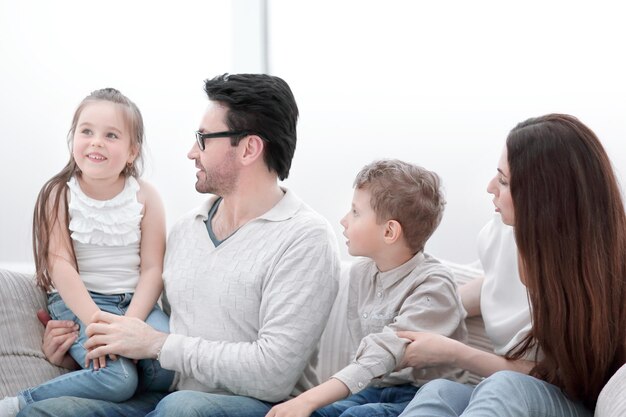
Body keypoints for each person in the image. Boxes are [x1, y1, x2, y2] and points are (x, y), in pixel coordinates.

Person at [19, 73, 340, 417]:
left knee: (181, 408)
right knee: (49, 412)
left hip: (259, 406)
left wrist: (158, 344)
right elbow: (151, 334)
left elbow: (273, 375)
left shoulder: (305, 239)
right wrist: (80, 352)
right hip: (166, 395)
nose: (191, 152)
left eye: (203, 139)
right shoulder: (188, 229)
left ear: (249, 148)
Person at [397, 114, 626, 417]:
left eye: (504, 181)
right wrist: (426, 308)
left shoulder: (603, 279)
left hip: (568, 403)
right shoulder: (503, 235)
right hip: (510, 391)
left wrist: (451, 351)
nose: (490, 187)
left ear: (544, 199)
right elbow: (495, 284)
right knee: (439, 392)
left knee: (504, 386)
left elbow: (549, 379)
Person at [0, 88, 174, 417]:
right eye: (87, 131)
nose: (96, 142)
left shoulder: (146, 196)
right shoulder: (59, 193)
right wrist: (97, 323)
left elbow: (153, 270)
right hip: (82, 303)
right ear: (73, 137)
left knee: (166, 365)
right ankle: (21, 403)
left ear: (132, 151)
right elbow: (60, 265)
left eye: (111, 135)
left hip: (134, 303)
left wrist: (130, 326)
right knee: (118, 379)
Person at [266, 159, 467, 417]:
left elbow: (381, 354)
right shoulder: (361, 274)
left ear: (389, 232)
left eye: (355, 212)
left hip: (424, 394)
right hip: (375, 388)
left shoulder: (434, 285)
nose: (344, 221)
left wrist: (307, 399)